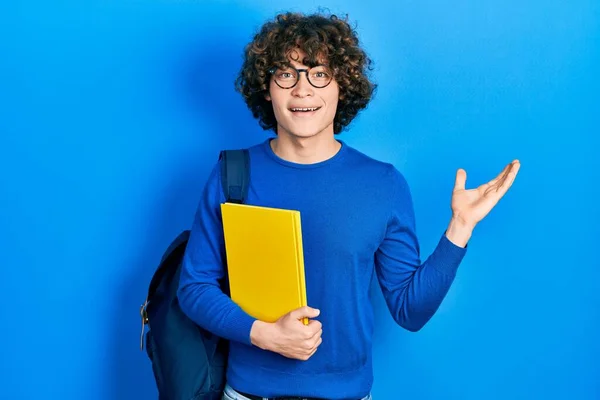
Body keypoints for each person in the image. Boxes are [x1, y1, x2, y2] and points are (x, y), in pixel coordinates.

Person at [177, 11, 520, 400]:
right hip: (248, 393)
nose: (302, 90)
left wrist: (460, 229)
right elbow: (195, 287)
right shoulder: (232, 174)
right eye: (286, 74)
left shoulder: (383, 183)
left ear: (343, 86)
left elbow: (410, 310)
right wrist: (265, 335)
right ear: (267, 88)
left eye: (319, 73)